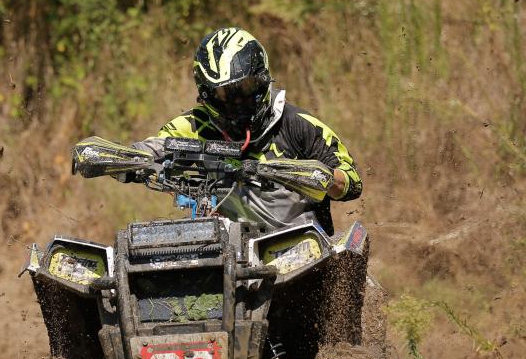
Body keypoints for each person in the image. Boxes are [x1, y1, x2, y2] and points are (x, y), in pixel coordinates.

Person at [132, 27, 362, 235]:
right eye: (224, 94)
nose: (236, 101)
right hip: (224, 246)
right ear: (206, 95)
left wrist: (320, 177)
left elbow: (352, 181)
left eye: (244, 88)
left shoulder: (297, 124)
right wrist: (123, 159)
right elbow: (151, 149)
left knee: (349, 248)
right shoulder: (195, 125)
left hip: (298, 246)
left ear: (262, 78)